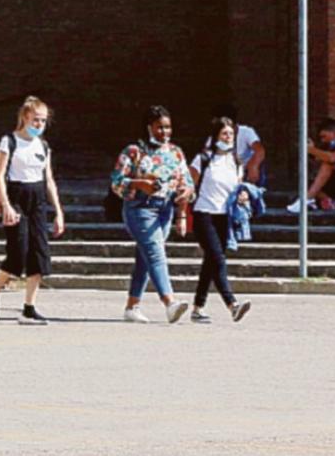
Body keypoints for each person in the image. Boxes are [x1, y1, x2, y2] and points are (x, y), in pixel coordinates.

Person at [0, 96, 64, 325]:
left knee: (39, 253)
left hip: (37, 198)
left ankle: (29, 307)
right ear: (25, 117)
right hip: (16, 196)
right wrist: (6, 205)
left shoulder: (43, 146)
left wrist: (58, 211)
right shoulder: (9, 141)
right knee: (18, 252)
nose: (39, 124)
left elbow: (49, 179)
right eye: (36, 119)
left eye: (43, 120)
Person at [110, 105, 194, 324]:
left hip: (165, 209)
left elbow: (187, 180)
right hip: (140, 208)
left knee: (145, 257)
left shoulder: (175, 152)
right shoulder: (134, 152)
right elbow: (116, 181)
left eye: (168, 127)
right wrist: (140, 184)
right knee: (156, 253)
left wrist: (186, 193)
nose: (164, 132)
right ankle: (170, 302)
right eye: (160, 128)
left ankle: (132, 306)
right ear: (149, 127)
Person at [187, 117, 252, 324]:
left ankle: (197, 308)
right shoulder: (203, 159)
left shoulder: (236, 162)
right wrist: (181, 213)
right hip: (204, 213)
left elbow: (238, 187)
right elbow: (188, 185)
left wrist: (243, 195)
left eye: (231, 134)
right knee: (217, 258)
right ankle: (232, 305)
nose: (228, 137)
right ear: (215, 136)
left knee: (211, 262)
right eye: (224, 133)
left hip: (225, 217)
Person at [216, 102, 266, 187]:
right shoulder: (215, 136)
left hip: (246, 171)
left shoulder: (247, 132)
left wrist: (253, 165)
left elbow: (260, 151)